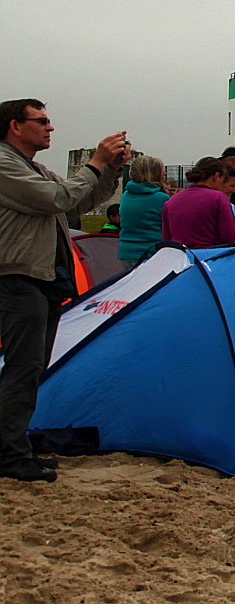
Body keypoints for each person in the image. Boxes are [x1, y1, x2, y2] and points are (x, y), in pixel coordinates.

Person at [0, 99, 127, 483]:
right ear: (15, 126)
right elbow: (55, 199)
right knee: (23, 369)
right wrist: (95, 162)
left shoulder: (33, 167)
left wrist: (111, 170)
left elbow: (79, 200)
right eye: (42, 121)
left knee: (32, 368)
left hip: (43, 278)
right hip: (18, 277)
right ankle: (9, 454)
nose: (50, 127)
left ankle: (14, 445)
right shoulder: (4, 164)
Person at [160, 157, 235, 249]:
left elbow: (167, 239)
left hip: (182, 257)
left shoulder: (171, 201)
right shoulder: (218, 198)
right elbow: (230, 236)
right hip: (211, 256)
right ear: (217, 176)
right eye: (223, 180)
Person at [117, 154, 170, 267]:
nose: (164, 173)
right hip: (151, 254)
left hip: (126, 253)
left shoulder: (126, 195)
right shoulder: (161, 198)